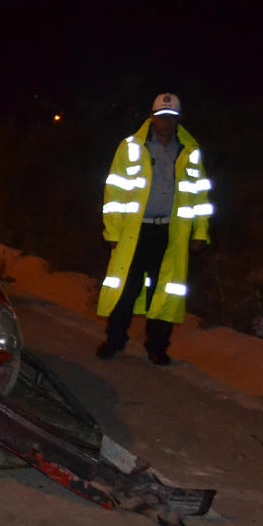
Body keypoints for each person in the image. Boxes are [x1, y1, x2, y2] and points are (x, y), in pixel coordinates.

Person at [95, 92, 213, 365]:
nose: (165, 122)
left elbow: (200, 195)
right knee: (126, 289)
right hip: (135, 234)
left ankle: (157, 347)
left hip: (171, 233)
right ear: (151, 117)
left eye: (171, 117)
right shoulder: (130, 147)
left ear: (179, 120)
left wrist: (200, 232)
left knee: (166, 292)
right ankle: (115, 340)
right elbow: (114, 192)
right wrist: (112, 233)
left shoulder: (190, 152)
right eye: (161, 116)